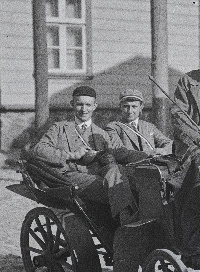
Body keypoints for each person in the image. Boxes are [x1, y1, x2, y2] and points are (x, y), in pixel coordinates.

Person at [30, 85, 138, 225]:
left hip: (96, 174)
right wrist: (71, 155)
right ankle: (125, 222)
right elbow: (38, 150)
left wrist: (104, 157)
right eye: (79, 104)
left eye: (88, 105)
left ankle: (127, 218)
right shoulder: (59, 128)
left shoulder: (102, 134)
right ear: (72, 105)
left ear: (95, 106)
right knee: (111, 187)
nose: (84, 109)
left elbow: (111, 161)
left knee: (121, 175)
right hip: (68, 177)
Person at [104, 88, 172, 158]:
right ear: (120, 107)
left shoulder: (149, 127)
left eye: (134, 107)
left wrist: (164, 151)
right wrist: (149, 153)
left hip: (153, 166)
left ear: (141, 107)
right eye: (126, 106)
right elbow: (119, 151)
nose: (130, 111)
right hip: (129, 167)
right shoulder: (113, 127)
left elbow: (169, 143)